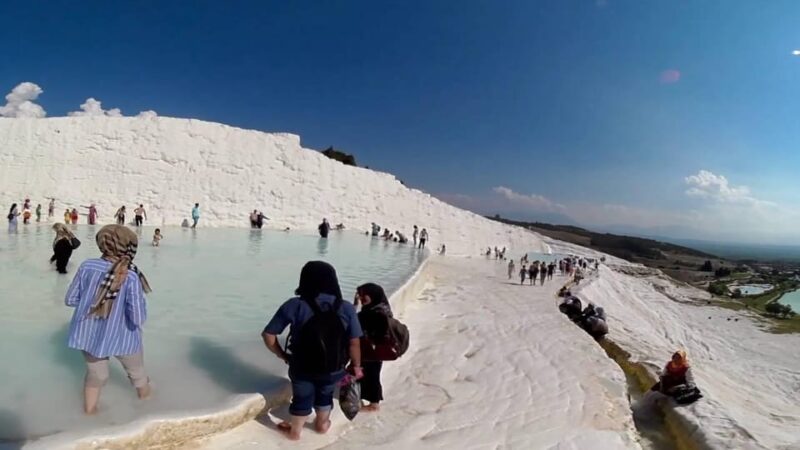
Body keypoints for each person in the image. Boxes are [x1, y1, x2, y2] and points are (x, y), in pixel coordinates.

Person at [261, 261, 363, 441]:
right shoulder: (346, 307)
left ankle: (294, 433)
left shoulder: (294, 305)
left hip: (301, 366)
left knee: (302, 396)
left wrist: (283, 355)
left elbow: (268, 335)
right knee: (325, 394)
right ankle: (322, 425)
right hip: (335, 368)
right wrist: (357, 366)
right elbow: (354, 342)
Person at [64, 225, 153, 414]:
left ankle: (89, 415)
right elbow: (137, 318)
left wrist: (93, 299)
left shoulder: (87, 265)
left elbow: (70, 300)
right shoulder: (131, 277)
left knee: (97, 376)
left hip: (88, 335)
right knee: (137, 374)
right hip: (124, 337)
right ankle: (148, 408)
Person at [354, 283, 393, 412]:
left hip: (371, 351)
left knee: (372, 375)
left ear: (372, 295)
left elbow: (353, 321)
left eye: (363, 295)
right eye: (359, 295)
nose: (361, 298)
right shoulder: (381, 307)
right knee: (369, 374)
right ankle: (367, 398)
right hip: (373, 350)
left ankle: (374, 404)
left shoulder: (374, 313)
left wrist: (354, 306)